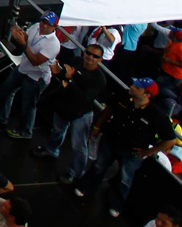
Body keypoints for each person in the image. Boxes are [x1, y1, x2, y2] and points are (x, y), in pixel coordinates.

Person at [72, 77, 179, 218]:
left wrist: (150, 151)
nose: (132, 87)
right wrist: (97, 126)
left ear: (147, 95)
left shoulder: (156, 114)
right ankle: (86, 187)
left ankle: (116, 205)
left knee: (124, 180)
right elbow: (108, 110)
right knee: (98, 166)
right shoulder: (123, 96)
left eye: (137, 87)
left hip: (133, 152)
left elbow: (170, 139)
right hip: (111, 140)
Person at [34, 42, 106, 184]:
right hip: (64, 105)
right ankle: (51, 150)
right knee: (57, 130)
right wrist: (59, 72)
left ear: (100, 60)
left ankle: (76, 173)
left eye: (95, 56)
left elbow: (84, 97)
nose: (90, 57)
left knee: (78, 145)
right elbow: (65, 78)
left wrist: (69, 79)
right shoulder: (77, 61)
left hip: (81, 113)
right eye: (88, 53)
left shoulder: (99, 79)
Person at [0, 12, 60, 139]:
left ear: (54, 28)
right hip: (23, 68)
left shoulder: (53, 44)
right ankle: (1, 117)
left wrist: (23, 44)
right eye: (43, 22)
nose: (44, 26)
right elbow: (25, 37)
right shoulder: (36, 26)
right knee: (6, 90)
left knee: (28, 105)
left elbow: (36, 61)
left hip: (37, 77)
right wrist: (18, 33)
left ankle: (25, 132)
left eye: (48, 25)